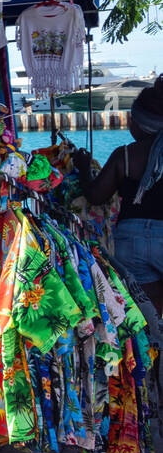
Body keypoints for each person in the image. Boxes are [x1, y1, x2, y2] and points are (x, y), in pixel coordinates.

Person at [73, 76, 163, 315]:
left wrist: (83, 168)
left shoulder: (125, 155)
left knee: (150, 318)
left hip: (131, 242)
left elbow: (95, 196)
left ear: (141, 123)